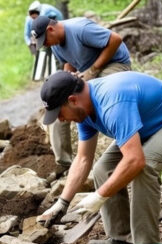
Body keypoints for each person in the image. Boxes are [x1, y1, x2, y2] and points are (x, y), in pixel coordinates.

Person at [36, 71, 162, 244]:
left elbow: (135, 160)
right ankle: (122, 238)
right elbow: (83, 159)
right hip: (147, 127)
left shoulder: (112, 103)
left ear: (72, 100)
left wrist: (100, 195)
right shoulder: (84, 111)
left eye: (60, 113)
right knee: (102, 168)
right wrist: (61, 204)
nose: (62, 120)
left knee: (144, 169)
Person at [31, 15, 132, 172]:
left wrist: (93, 70)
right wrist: (64, 84)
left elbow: (115, 39)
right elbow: (68, 62)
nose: (45, 45)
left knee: (98, 98)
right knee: (58, 103)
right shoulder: (55, 43)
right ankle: (66, 164)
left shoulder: (80, 29)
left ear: (50, 29)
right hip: (87, 72)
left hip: (114, 64)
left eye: (45, 41)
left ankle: (126, 144)